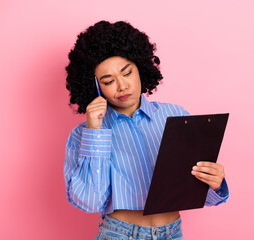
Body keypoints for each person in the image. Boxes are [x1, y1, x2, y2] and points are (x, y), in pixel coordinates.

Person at [64, 20, 229, 240]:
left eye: (127, 73)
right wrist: (95, 131)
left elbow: (197, 193)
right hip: (119, 234)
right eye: (108, 80)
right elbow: (91, 201)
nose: (122, 86)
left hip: (172, 233)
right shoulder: (84, 134)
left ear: (141, 67)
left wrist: (215, 183)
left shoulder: (176, 115)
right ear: (94, 86)